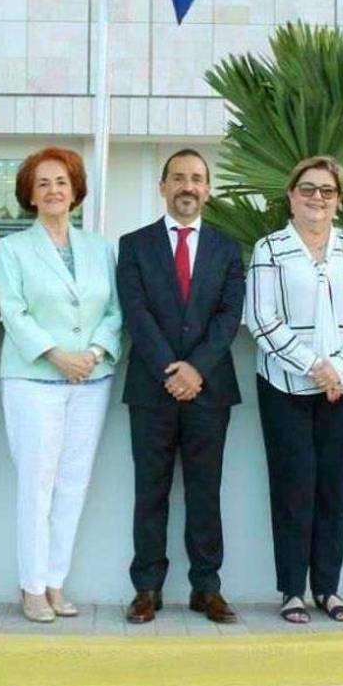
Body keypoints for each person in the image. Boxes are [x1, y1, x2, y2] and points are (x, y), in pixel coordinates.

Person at [245, 156, 343, 624]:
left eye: (327, 190)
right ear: (291, 195)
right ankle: (292, 590)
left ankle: (328, 587)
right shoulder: (270, 248)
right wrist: (314, 367)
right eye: (308, 188)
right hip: (285, 386)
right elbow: (262, 320)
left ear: (339, 200)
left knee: (332, 488)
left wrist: (341, 368)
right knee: (293, 487)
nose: (317, 197)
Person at [117, 149, 245, 625]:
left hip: (209, 390)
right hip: (152, 389)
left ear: (208, 189)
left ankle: (206, 587)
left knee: (205, 491)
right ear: (163, 187)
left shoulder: (228, 248)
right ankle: (147, 587)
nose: (187, 186)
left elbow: (228, 317)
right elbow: (136, 313)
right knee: (149, 491)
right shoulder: (134, 245)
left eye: (196, 178)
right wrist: (173, 370)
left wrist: (197, 369)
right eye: (178, 178)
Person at [0, 147, 122, 622]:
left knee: (72, 485)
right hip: (34, 380)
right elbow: (13, 311)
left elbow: (114, 311)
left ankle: (55, 583)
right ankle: (30, 586)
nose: (53, 190)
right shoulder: (11, 249)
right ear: (29, 192)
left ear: (76, 191)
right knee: (37, 484)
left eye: (62, 182)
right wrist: (56, 355)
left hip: (92, 379)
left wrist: (92, 354)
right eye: (44, 182)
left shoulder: (99, 248)